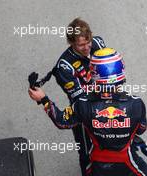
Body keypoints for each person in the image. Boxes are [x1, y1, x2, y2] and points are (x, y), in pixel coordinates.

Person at [29, 48, 147, 176]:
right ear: (121, 72)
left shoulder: (82, 104)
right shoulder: (137, 104)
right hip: (128, 164)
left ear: (94, 74)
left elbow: (61, 122)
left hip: (96, 166)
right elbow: (141, 129)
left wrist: (43, 99)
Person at [28, 18, 106, 176]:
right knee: (86, 153)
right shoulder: (64, 66)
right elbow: (80, 100)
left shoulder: (99, 43)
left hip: (106, 100)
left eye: (88, 42)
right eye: (81, 45)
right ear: (71, 43)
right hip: (84, 110)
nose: (86, 48)